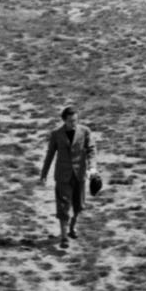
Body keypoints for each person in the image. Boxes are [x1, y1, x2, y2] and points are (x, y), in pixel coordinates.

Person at [38, 105, 97, 250]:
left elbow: (91, 149)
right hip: (63, 176)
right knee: (63, 206)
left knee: (78, 205)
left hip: (79, 175)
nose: (73, 123)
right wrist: (44, 174)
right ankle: (64, 237)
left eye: (76, 120)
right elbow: (50, 155)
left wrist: (92, 167)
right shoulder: (56, 134)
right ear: (64, 120)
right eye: (70, 121)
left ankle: (72, 227)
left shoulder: (85, 131)